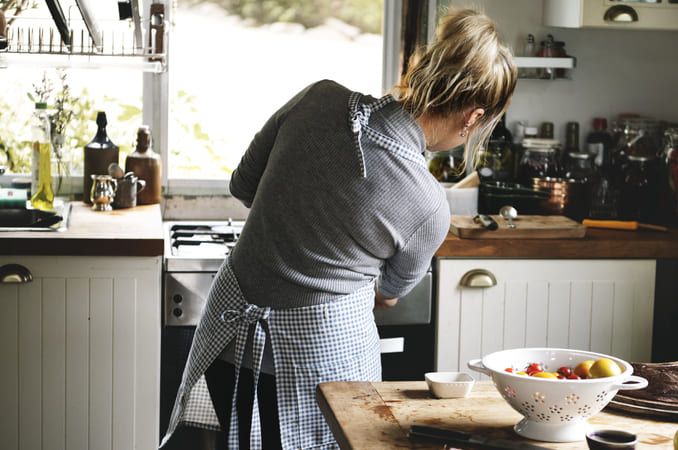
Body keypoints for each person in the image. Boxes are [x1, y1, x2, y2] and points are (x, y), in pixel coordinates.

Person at [160, 7, 516, 449]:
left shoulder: (318, 97)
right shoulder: (428, 204)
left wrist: (296, 221)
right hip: (320, 367)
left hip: (228, 338)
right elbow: (386, 294)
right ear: (471, 118)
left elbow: (243, 184)